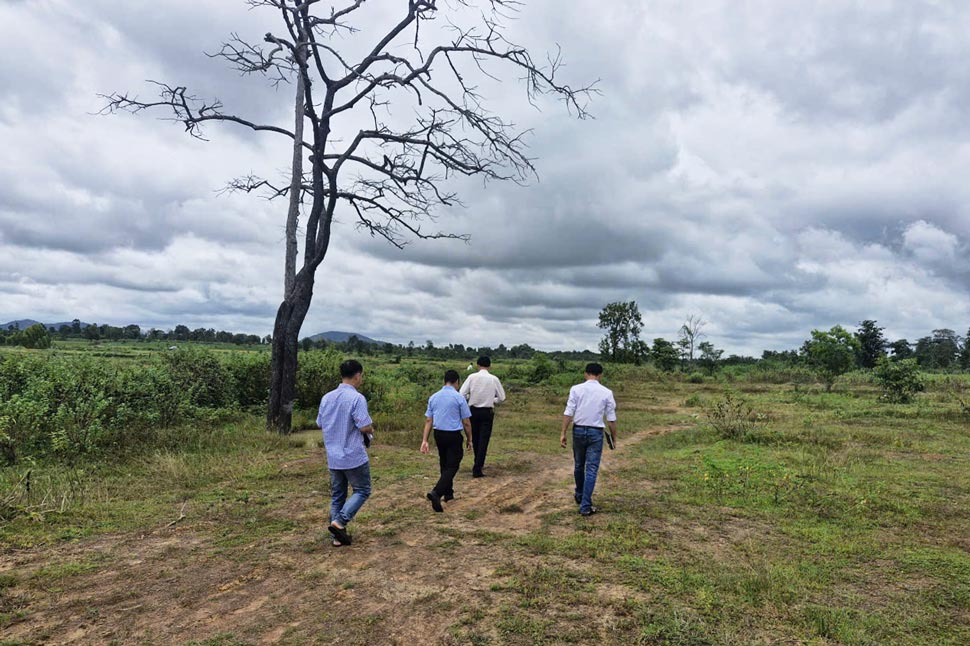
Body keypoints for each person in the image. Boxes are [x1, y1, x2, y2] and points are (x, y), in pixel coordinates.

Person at [317, 359, 374, 546]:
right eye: (361, 376)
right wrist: (371, 429)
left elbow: (319, 423)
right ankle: (340, 522)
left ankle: (337, 538)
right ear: (357, 375)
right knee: (363, 489)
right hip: (352, 455)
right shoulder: (357, 398)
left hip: (333, 456)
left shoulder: (326, 398)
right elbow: (364, 426)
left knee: (337, 495)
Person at [560, 362, 617, 516]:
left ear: (586, 374)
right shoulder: (606, 392)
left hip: (578, 430)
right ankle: (585, 504)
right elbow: (611, 418)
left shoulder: (576, 389)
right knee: (591, 468)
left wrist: (563, 432)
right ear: (600, 375)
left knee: (579, 465)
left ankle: (579, 495)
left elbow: (569, 411)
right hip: (595, 432)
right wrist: (614, 438)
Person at [421, 370, 473, 512]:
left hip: (439, 434)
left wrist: (425, 440)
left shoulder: (434, 397)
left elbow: (428, 420)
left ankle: (448, 494)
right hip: (453, 435)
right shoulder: (459, 398)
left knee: (444, 462)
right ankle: (437, 492)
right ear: (457, 382)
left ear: (444, 381)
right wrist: (470, 439)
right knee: (453, 465)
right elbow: (466, 422)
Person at [459, 356, 506, 477]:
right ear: (490, 366)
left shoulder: (472, 377)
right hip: (487, 412)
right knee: (484, 440)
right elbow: (502, 398)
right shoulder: (493, 379)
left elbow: (461, 394)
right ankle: (478, 467)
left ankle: (477, 462)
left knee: (475, 438)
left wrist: (471, 397)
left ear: (477, 365)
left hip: (473, 411)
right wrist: (491, 399)